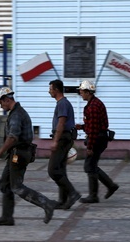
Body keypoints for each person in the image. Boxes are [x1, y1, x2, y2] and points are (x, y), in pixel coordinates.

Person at [0, 87, 56, 225]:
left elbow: (12, 137)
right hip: (17, 153)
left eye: (1, 103)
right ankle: (7, 217)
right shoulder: (16, 113)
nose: (1, 106)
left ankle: (46, 203)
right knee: (5, 183)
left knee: (17, 186)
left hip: (18, 154)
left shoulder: (16, 115)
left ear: (7, 100)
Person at [75, 80, 119, 203]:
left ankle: (94, 195)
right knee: (92, 166)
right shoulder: (94, 103)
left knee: (89, 166)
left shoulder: (93, 106)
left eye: (82, 91)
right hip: (100, 138)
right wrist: (82, 127)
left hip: (97, 139)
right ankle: (110, 186)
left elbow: (94, 130)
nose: (80, 93)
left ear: (88, 92)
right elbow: (94, 125)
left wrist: (89, 147)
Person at [48, 79, 81, 210]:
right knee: (61, 170)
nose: (49, 91)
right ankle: (63, 200)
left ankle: (73, 193)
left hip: (62, 139)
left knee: (53, 170)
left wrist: (55, 141)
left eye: (50, 89)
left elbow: (61, 123)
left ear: (56, 90)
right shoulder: (63, 103)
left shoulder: (62, 104)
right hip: (64, 138)